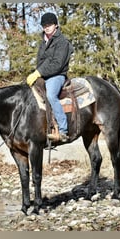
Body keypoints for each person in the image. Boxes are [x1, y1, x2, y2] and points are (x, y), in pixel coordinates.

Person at [27, 12, 74, 142]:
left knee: (51, 95)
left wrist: (38, 72)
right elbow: (41, 61)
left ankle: (63, 130)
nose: (46, 27)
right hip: (43, 74)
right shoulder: (44, 42)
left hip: (57, 75)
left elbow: (57, 64)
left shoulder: (62, 42)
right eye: (44, 25)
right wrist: (36, 73)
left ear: (55, 25)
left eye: (49, 24)